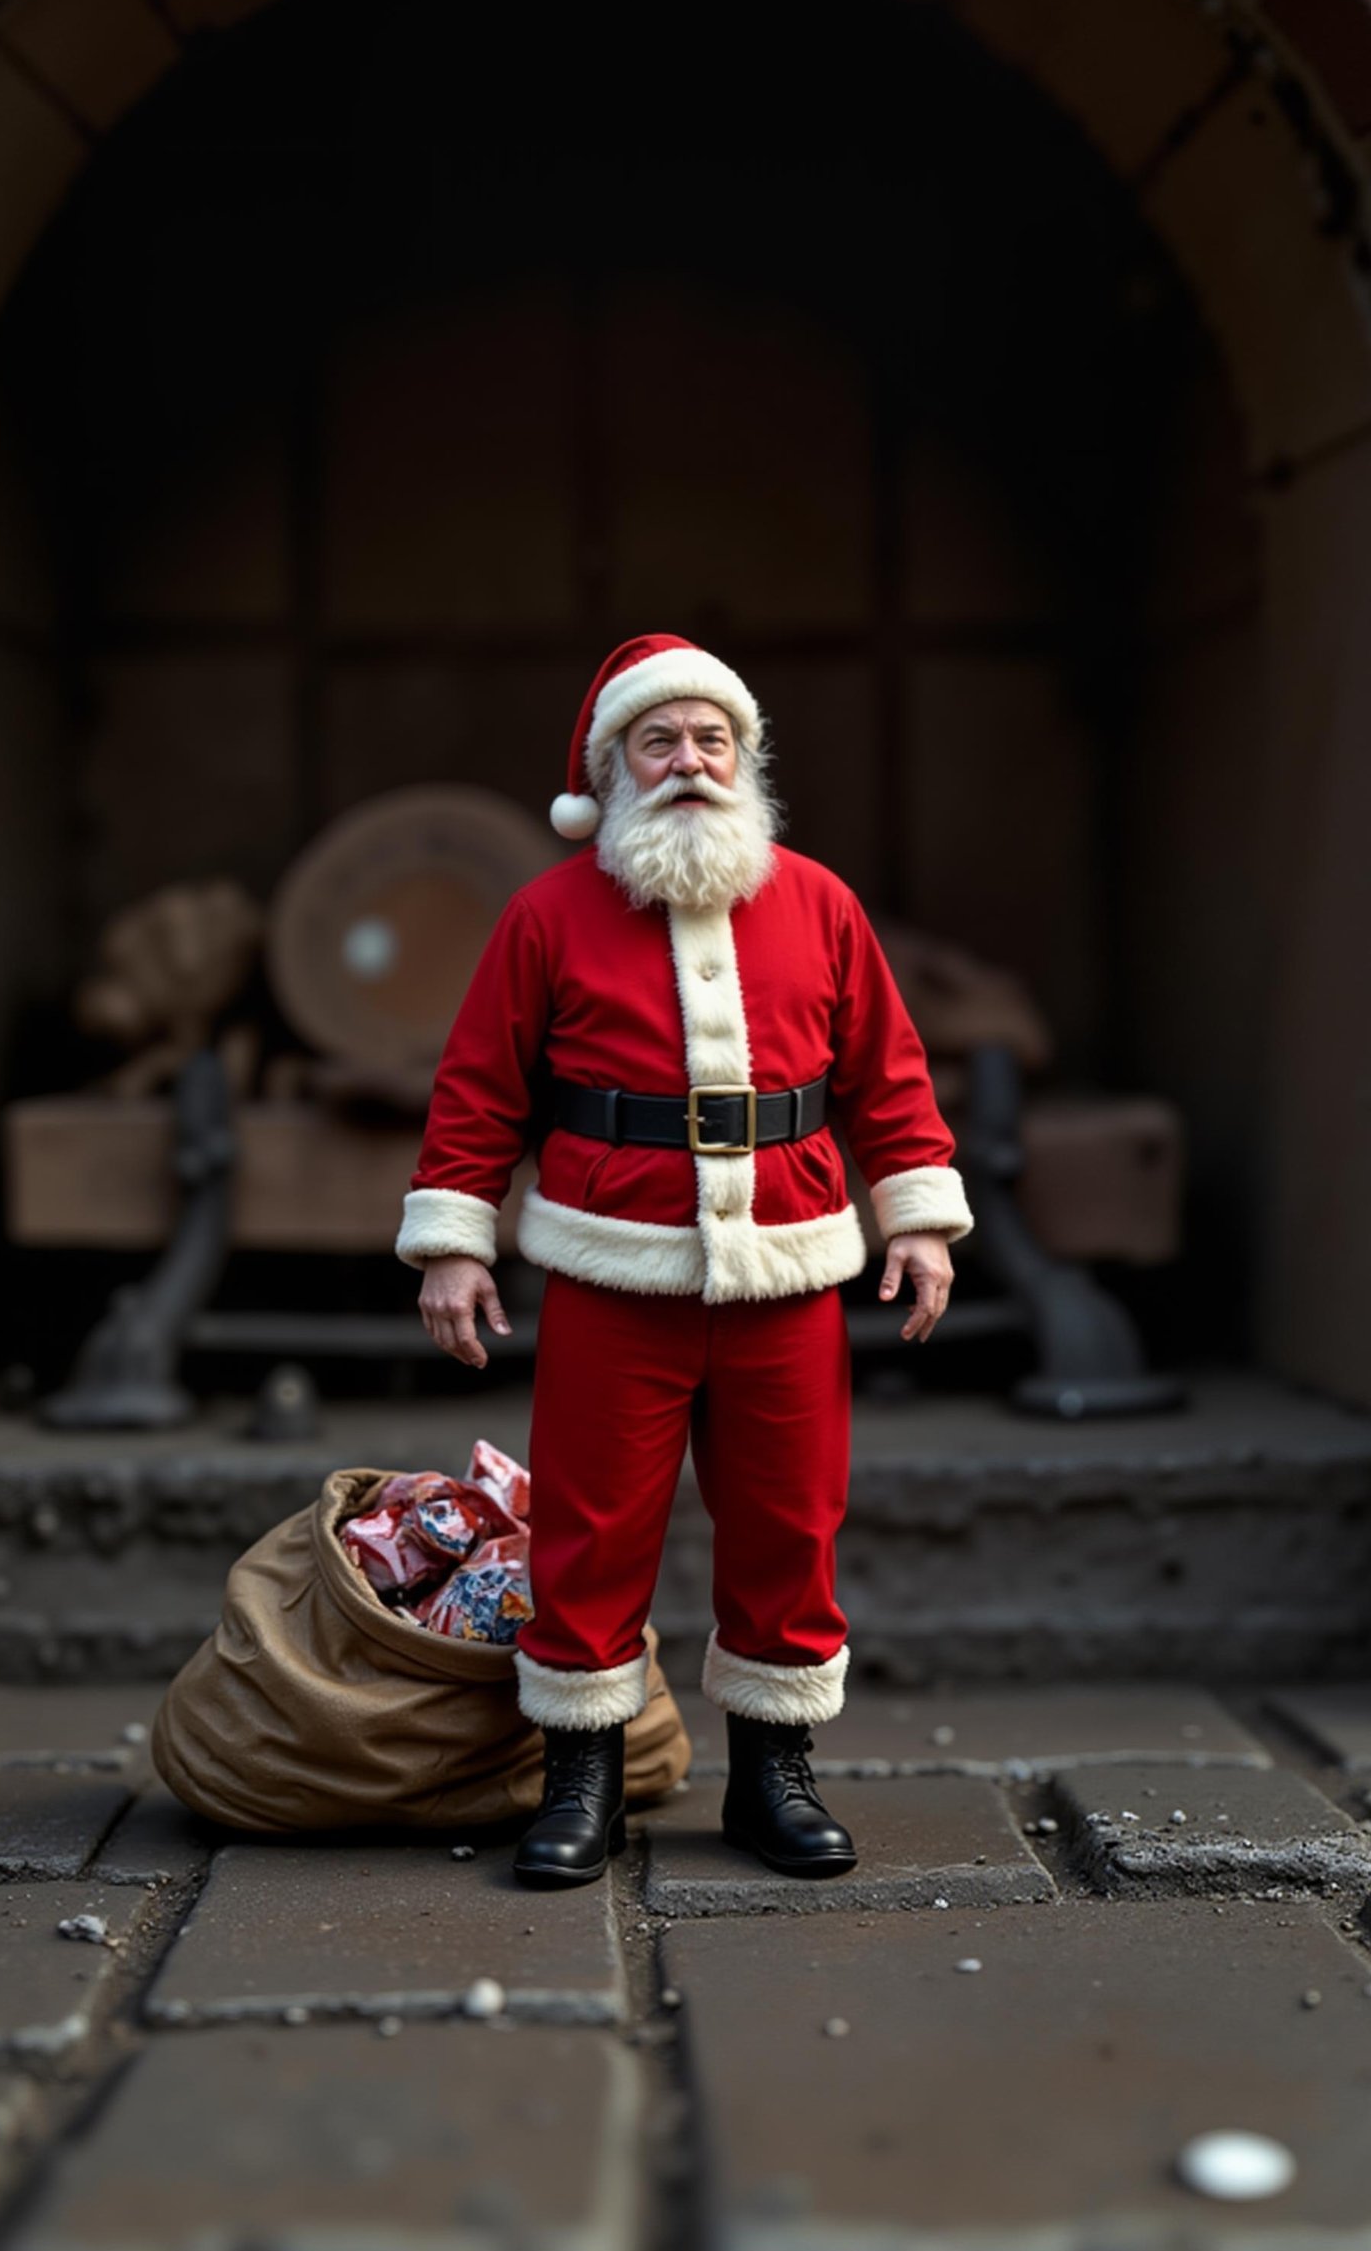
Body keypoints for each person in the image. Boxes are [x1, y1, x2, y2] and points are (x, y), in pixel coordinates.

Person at [395, 633, 971, 1886]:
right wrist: (454, 1237)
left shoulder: (818, 901)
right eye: (659, 740)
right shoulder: (545, 914)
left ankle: (774, 1777)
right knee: (592, 1528)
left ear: (745, 760)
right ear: (611, 769)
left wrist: (917, 1212)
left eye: (713, 739)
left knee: (787, 1518)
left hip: (786, 1266)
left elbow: (886, 1071)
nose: (689, 762)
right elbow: (479, 1086)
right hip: (614, 1268)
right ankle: (581, 1782)